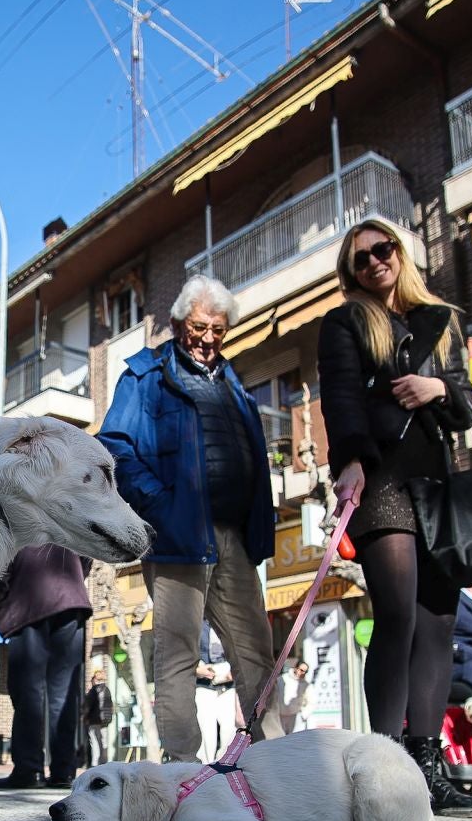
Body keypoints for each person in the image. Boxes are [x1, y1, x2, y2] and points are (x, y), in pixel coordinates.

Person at [316, 218, 472, 817]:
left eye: (381, 251)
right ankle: (386, 770)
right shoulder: (345, 322)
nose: (373, 264)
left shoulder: (442, 320)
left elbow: (468, 405)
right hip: (382, 477)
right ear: (351, 274)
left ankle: (428, 766)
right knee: (396, 617)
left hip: (438, 481)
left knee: (439, 622)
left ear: (401, 253)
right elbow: (338, 397)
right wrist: (350, 464)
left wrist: (436, 389)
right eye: (359, 261)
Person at [98, 273, 282, 763]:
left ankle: (279, 765)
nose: (207, 337)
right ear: (179, 322)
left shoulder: (234, 382)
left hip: (235, 539)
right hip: (179, 536)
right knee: (179, 655)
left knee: (256, 655)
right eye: (199, 326)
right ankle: (181, 771)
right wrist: (160, 505)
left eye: (218, 329)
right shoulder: (145, 375)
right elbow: (115, 447)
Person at [0, 544, 92, 789]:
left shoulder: (19, 512)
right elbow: (86, 556)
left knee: (28, 691)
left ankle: (29, 769)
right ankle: (63, 771)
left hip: (29, 599)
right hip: (72, 600)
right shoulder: (68, 511)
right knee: (64, 694)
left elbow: (1, 565)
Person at [193, 622, 236, 762]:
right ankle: (206, 768)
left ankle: (226, 765)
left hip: (228, 685)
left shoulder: (227, 621)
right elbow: (186, 653)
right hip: (204, 684)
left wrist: (234, 671)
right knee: (206, 733)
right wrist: (198, 670)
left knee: (229, 730)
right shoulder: (197, 622)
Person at [82, 667, 114, 763]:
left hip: (94, 720)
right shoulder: (107, 689)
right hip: (105, 720)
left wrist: (84, 717)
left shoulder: (94, 691)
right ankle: (104, 762)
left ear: (94, 679)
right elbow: (110, 706)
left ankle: (95, 763)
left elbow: (88, 706)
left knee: (95, 743)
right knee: (103, 742)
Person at [276, 660, 313, 734]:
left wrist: (303, 716)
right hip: (281, 716)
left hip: (296, 717)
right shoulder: (282, 679)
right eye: (302, 670)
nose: (303, 673)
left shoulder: (306, 685)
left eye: (305, 672)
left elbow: (311, 702)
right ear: (296, 667)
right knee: (281, 740)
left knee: (296, 741)